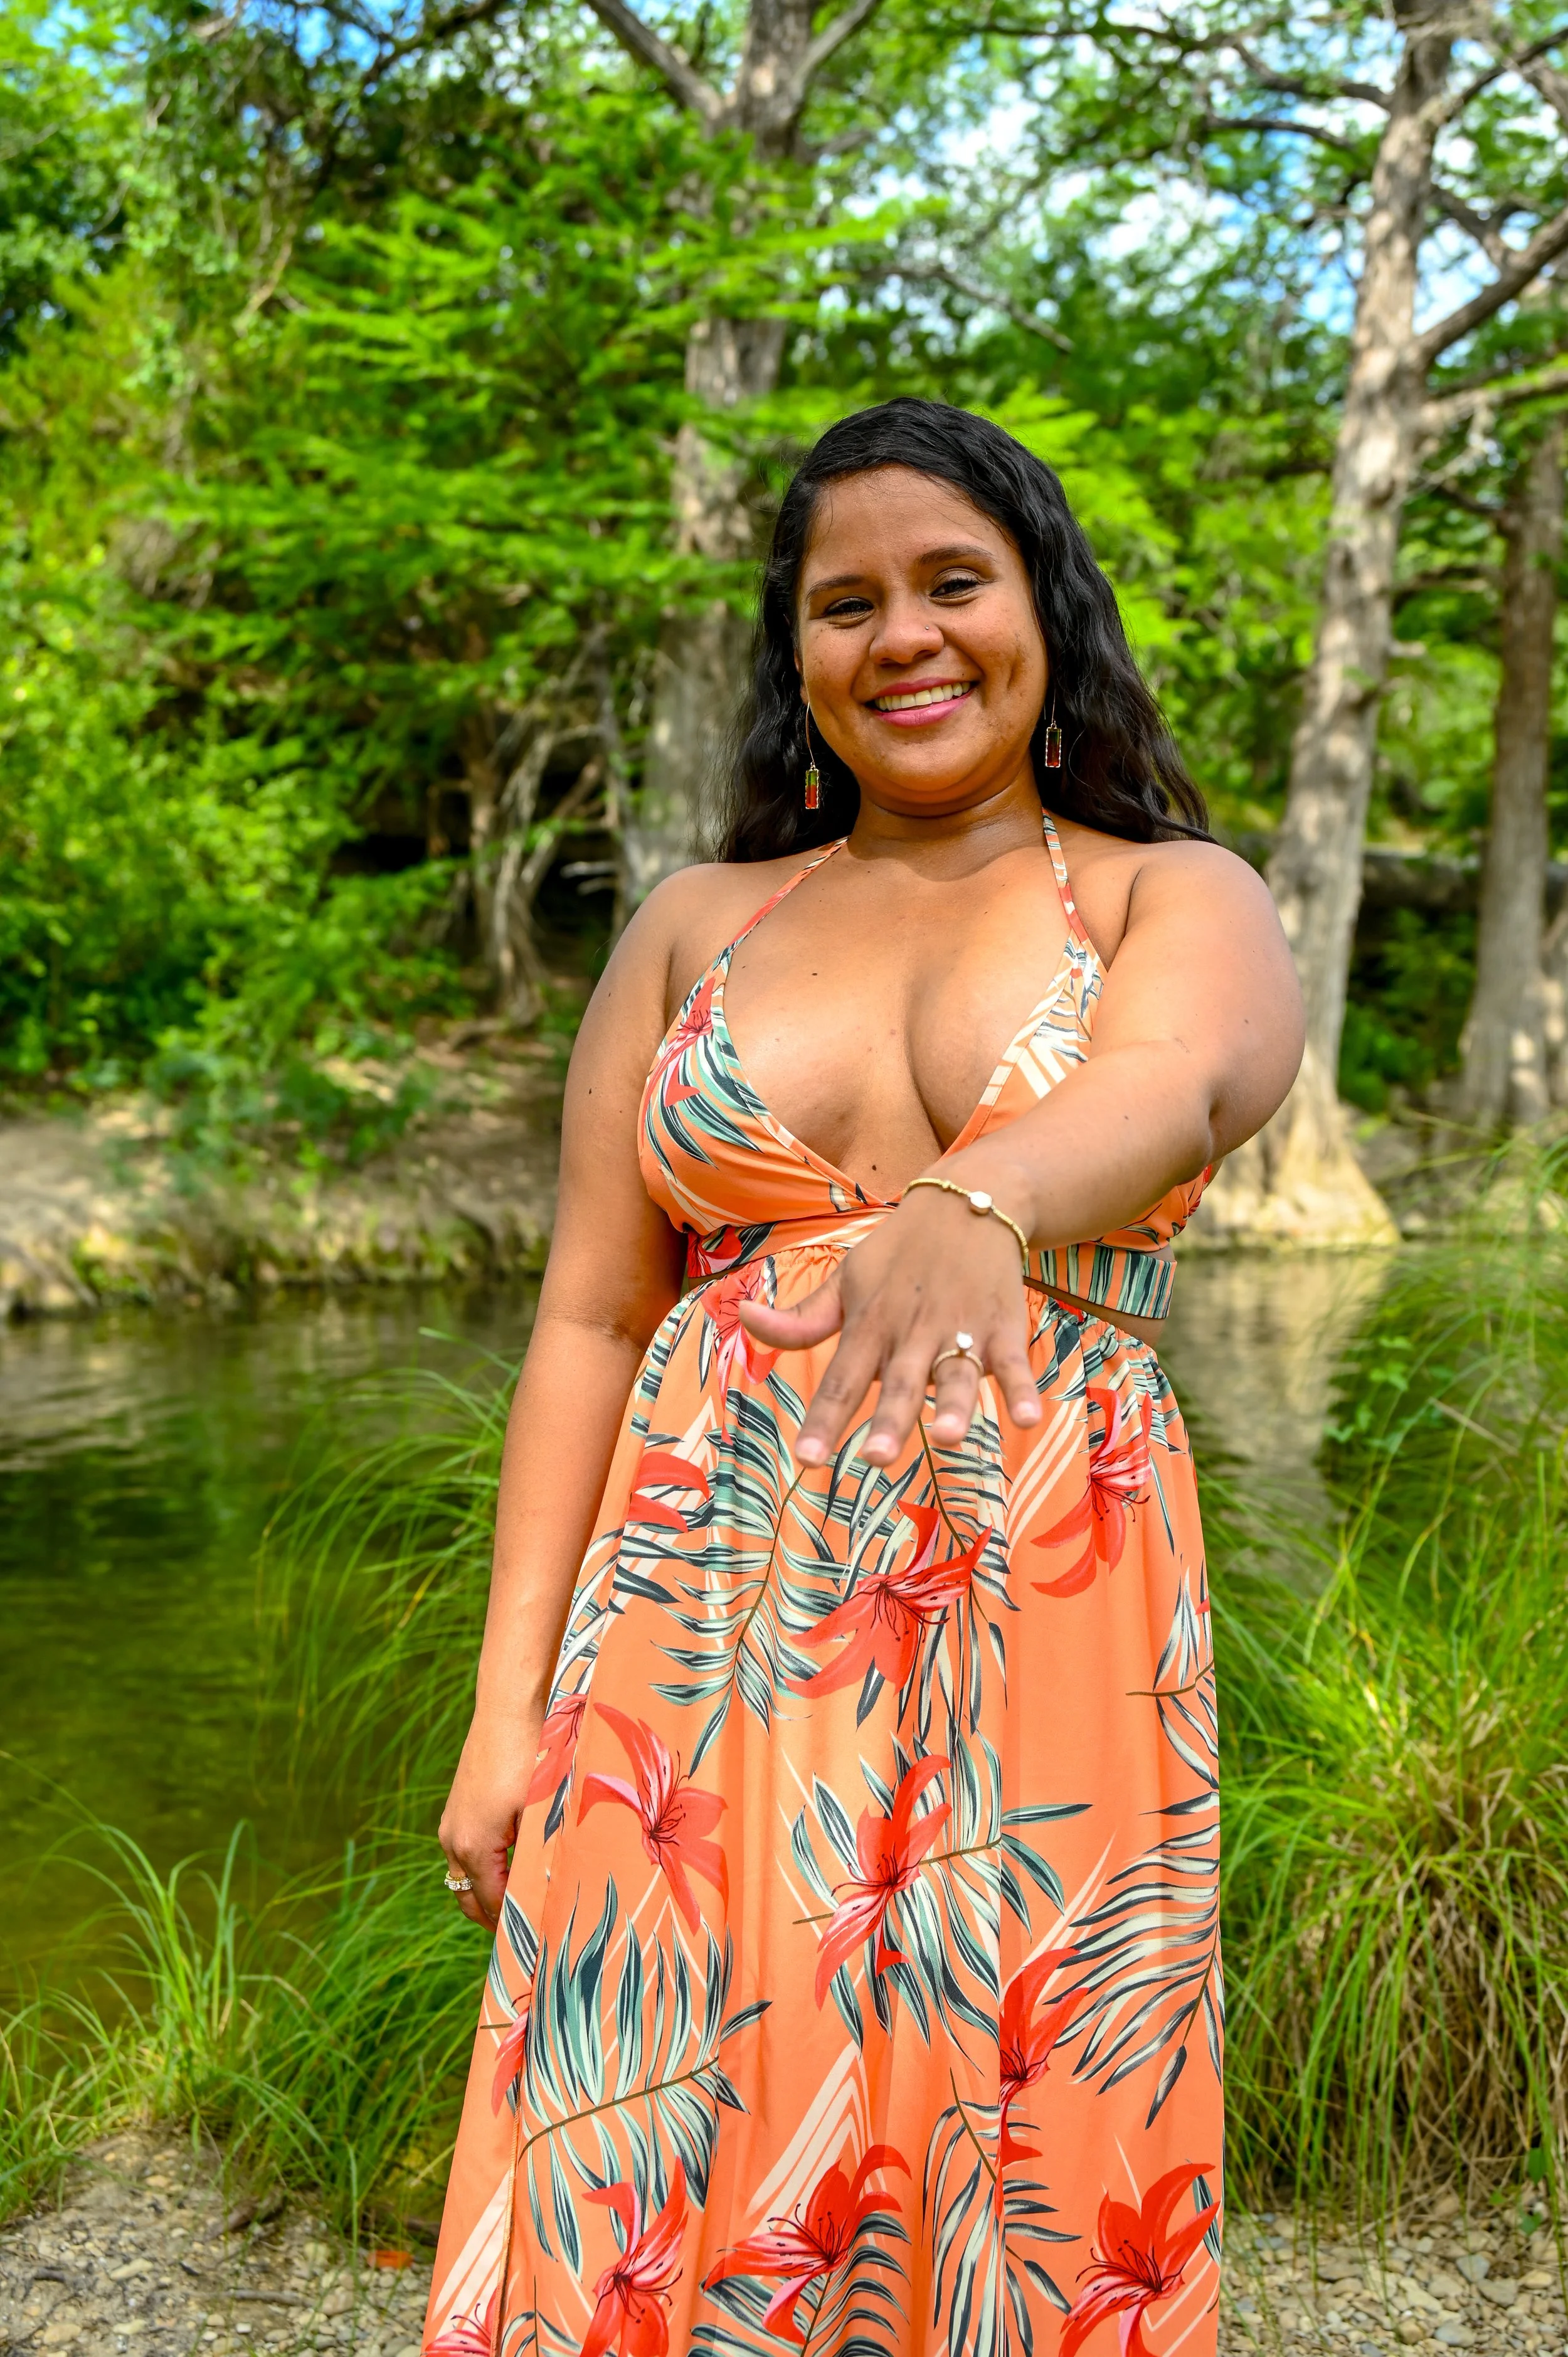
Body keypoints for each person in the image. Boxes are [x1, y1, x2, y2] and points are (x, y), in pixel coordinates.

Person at [423, 397, 1303, 2357]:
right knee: (660, 2129)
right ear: (796, 660)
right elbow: (585, 1316)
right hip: (692, 1640)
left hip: (1037, 1627)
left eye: (951, 582)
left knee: (1008, 2146)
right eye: (843, 602)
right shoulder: (693, 928)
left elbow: (1178, 1081)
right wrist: (505, 1715)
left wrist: (973, 1199)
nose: (900, 633)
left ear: (1043, 616)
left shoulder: (1173, 893)